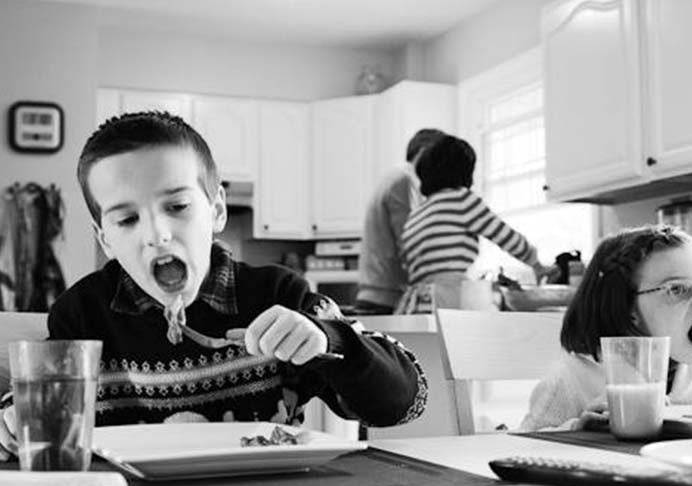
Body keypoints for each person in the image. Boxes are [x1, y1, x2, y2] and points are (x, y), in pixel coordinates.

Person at [42, 110, 427, 428]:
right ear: (105, 239)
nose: (157, 235)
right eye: (126, 219)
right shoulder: (80, 316)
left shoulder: (280, 297)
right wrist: (9, 424)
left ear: (217, 210)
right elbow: (31, 412)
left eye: (177, 207)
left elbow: (403, 404)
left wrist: (330, 341)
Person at [519, 224, 692, 432]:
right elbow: (520, 448)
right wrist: (577, 429)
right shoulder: (572, 379)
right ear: (628, 308)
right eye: (677, 289)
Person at [396, 134, 557, 314]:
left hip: (414, 303)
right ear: (464, 170)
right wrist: (537, 265)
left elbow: (405, 260)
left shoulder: (417, 212)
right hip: (447, 298)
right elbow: (505, 236)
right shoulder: (460, 200)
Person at [355, 128, 445, 315]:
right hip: (387, 299)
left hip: (378, 296)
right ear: (424, 152)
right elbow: (410, 242)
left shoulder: (395, 177)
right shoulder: (405, 180)